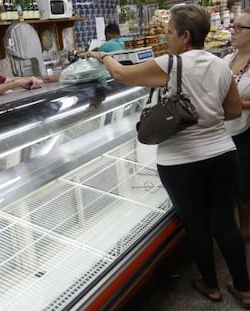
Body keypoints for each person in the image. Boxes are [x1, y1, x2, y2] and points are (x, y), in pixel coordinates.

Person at [87, 4, 250, 307]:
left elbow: (121, 74)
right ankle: (244, 289)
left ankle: (211, 287)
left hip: (182, 161)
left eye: (169, 32)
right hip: (223, 154)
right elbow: (233, 111)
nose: (166, 38)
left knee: (198, 225)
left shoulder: (169, 64)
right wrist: (206, 114)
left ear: (185, 35)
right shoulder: (219, 64)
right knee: (225, 223)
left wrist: (103, 55)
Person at [224, 9, 250, 243]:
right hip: (224, 132)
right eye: (233, 26)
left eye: (240, 27)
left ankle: (246, 229)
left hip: (246, 133)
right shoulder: (227, 60)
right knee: (233, 183)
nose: (233, 30)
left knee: (244, 186)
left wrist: (239, 104)